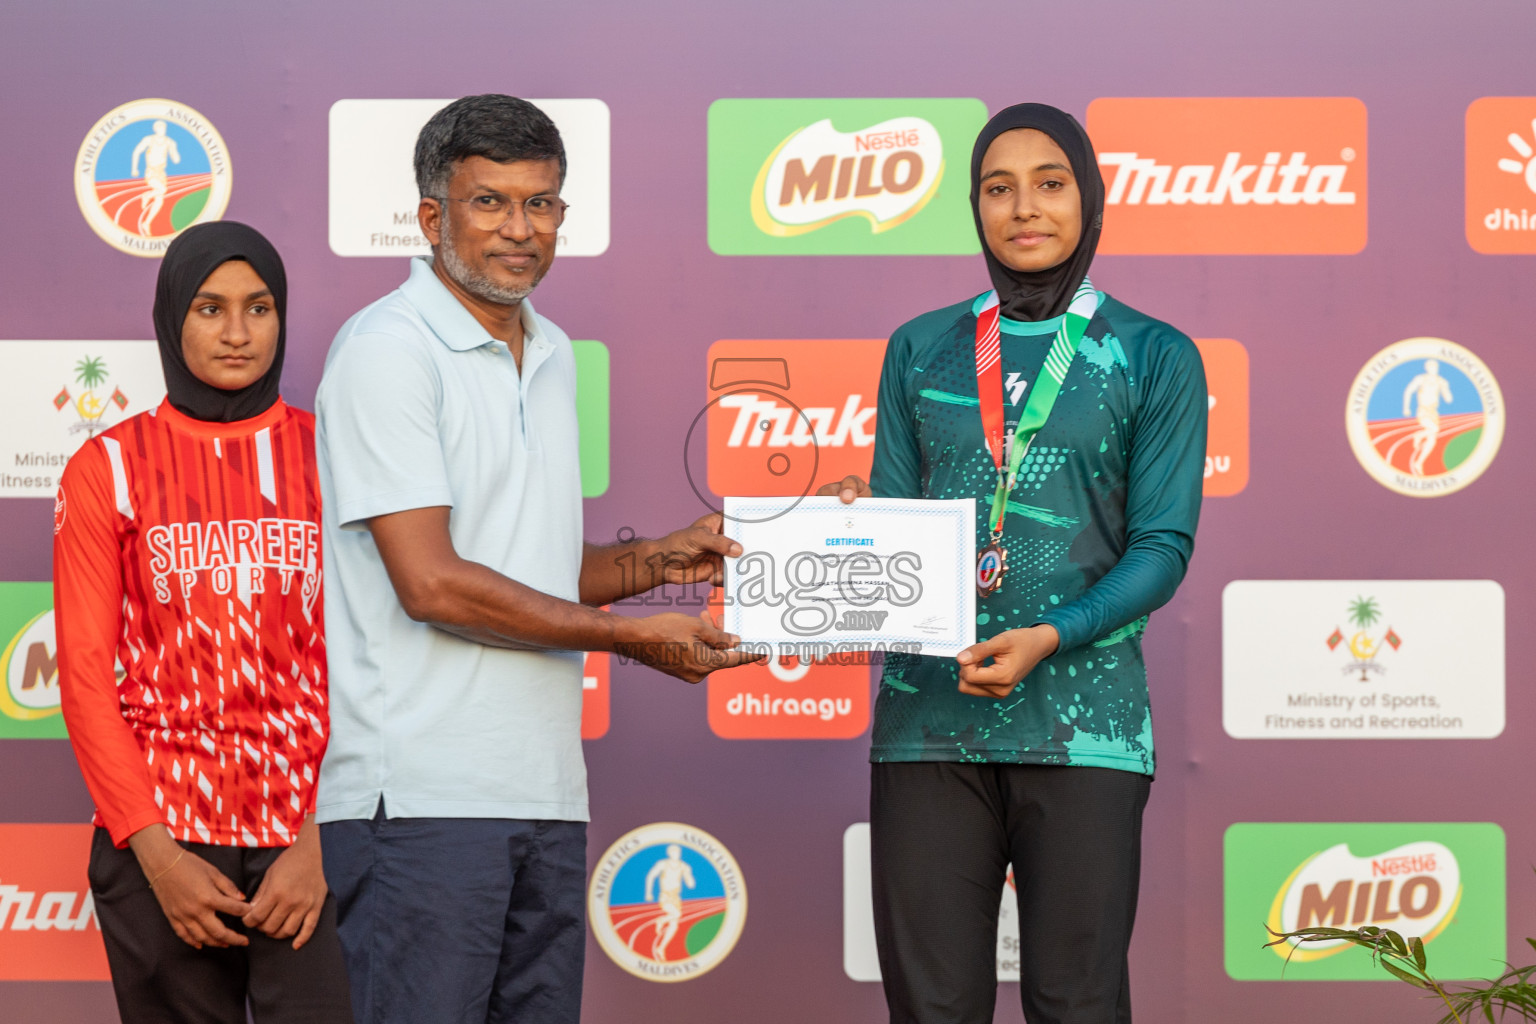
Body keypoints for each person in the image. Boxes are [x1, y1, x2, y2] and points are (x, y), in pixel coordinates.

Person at [314, 93, 759, 1024]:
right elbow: (432, 582)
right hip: (422, 802)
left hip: (546, 794)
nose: (521, 231)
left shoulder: (551, 351)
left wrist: (664, 562)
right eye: (491, 203)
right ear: (433, 216)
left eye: (542, 203)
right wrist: (630, 642)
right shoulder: (386, 351)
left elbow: (536, 563)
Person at [821, 104, 1207, 1023]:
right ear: (974, 206)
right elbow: (900, 535)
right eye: (998, 188)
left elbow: (1162, 548)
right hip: (928, 727)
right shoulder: (922, 346)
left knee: (1078, 1004)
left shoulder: (1153, 354)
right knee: (933, 1009)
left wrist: (1051, 634)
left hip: (1086, 730)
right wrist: (851, 532)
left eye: (1050, 183)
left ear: (1091, 198)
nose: (1023, 207)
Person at [53, 221, 352, 1024]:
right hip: (162, 840)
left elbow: (375, 658)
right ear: (172, 316)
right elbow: (83, 673)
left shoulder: (333, 456)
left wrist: (323, 833)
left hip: (312, 837)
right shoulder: (107, 466)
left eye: (259, 308)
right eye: (211, 308)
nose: (236, 333)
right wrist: (155, 853)